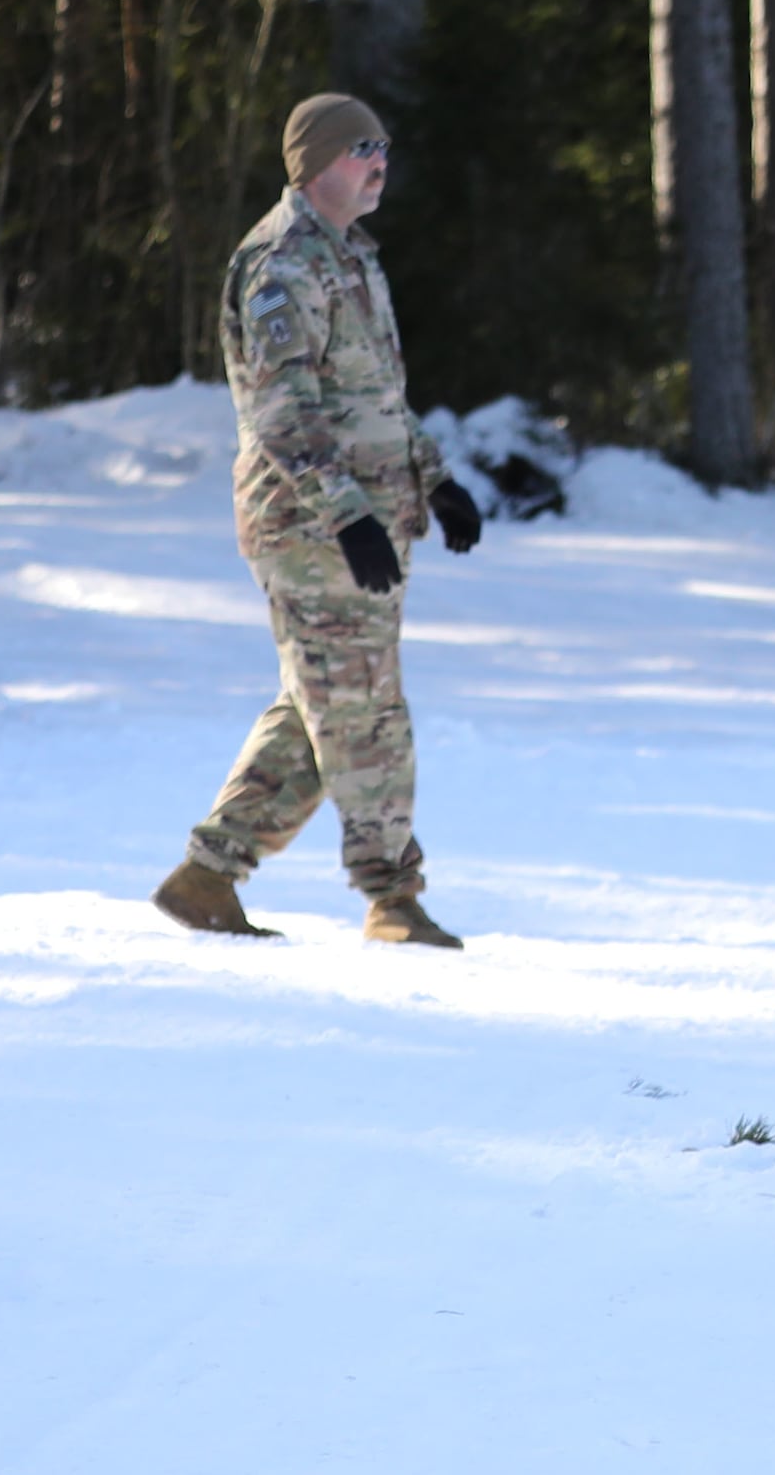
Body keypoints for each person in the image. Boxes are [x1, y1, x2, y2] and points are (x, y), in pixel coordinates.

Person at [150, 95, 484, 946]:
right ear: (317, 162)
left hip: (361, 517)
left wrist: (434, 482)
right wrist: (346, 518)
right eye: (363, 149)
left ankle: (208, 874)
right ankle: (392, 899)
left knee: (321, 707)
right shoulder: (282, 264)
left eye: (386, 148)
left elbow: (371, 399)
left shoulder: (350, 257)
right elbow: (283, 413)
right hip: (310, 526)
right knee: (366, 709)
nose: (381, 164)